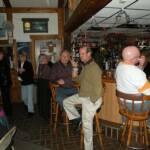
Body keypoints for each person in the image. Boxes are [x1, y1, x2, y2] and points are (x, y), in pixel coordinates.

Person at [63, 46, 103, 150]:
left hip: (91, 98)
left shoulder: (94, 68)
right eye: (80, 54)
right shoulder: (86, 66)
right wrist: (75, 68)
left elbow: (98, 89)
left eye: (83, 54)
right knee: (66, 102)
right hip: (83, 95)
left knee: (87, 126)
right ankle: (78, 119)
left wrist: (92, 103)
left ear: (89, 54)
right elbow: (76, 80)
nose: (80, 56)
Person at [115, 46, 150, 128]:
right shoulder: (136, 73)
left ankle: (124, 123)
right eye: (138, 57)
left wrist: (141, 65)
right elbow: (148, 92)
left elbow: (133, 74)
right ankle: (149, 124)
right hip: (137, 107)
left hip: (124, 106)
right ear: (135, 59)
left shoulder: (119, 66)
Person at [18, 51, 34, 117]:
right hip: (23, 83)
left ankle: (31, 112)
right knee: (24, 98)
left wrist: (24, 71)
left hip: (29, 83)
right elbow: (19, 73)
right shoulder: (19, 64)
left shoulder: (28, 64)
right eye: (20, 57)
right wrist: (18, 76)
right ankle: (28, 106)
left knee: (30, 98)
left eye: (23, 57)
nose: (21, 58)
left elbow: (31, 73)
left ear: (25, 57)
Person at [37, 54, 52, 120]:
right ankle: (43, 114)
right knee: (41, 99)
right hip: (41, 83)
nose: (42, 60)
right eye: (41, 59)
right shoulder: (41, 65)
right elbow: (40, 75)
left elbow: (43, 75)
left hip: (45, 84)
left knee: (45, 100)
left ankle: (45, 115)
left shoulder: (48, 65)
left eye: (44, 58)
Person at [0, 49, 12, 116]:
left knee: (6, 98)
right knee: (5, 98)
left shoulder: (4, 61)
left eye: (0, 55)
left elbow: (3, 73)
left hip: (6, 83)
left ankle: (8, 113)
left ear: (2, 55)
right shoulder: (3, 61)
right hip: (3, 83)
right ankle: (7, 112)